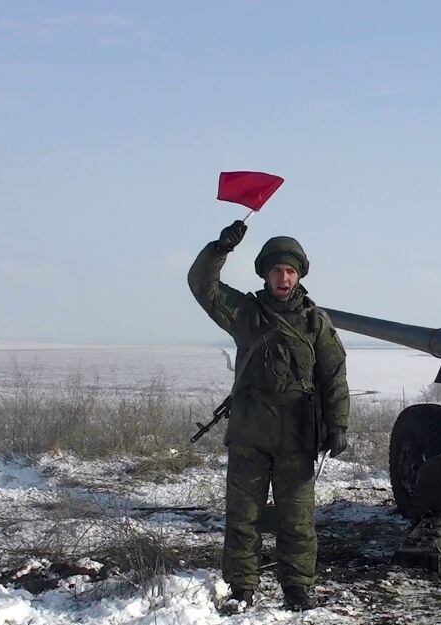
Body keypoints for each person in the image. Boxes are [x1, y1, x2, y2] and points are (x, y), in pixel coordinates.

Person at [187, 220, 350, 613]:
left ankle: (298, 588)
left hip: (297, 435)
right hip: (250, 434)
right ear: (265, 273)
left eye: (290, 271)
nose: (283, 277)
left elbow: (333, 375)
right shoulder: (245, 313)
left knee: (297, 521)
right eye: (277, 270)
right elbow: (201, 285)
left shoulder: (316, 322)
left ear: (299, 276)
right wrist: (219, 249)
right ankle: (241, 588)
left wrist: (339, 424)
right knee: (243, 519)